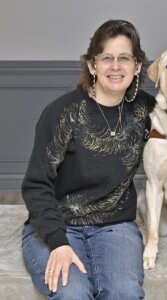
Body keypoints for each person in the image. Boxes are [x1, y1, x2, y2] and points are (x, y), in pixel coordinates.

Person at [21, 19, 156, 300]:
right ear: (92, 66)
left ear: (137, 65)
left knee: (124, 293)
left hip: (115, 224)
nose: (116, 66)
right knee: (73, 295)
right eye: (106, 58)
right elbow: (36, 185)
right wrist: (57, 242)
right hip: (59, 223)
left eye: (124, 58)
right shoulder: (62, 112)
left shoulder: (147, 110)